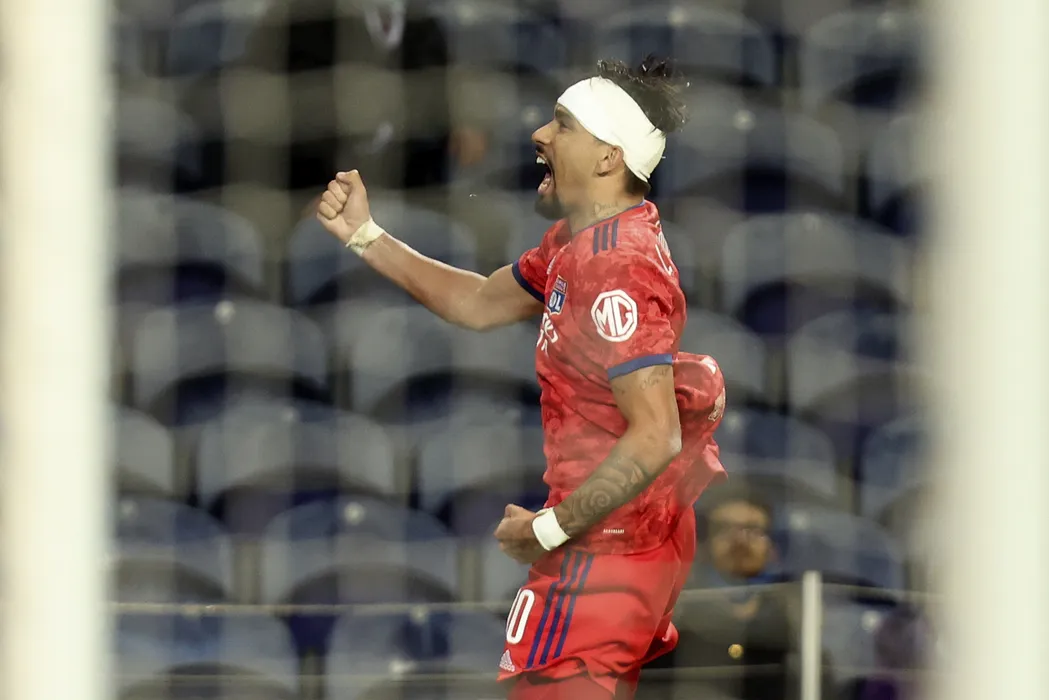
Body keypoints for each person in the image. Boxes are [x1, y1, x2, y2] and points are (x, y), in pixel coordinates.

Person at [315, 55, 728, 700]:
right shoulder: (581, 241)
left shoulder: (616, 264)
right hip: (619, 542)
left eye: (562, 124)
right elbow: (480, 302)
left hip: (607, 552)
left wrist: (548, 529)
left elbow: (656, 435)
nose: (539, 134)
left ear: (608, 157)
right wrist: (364, 235)